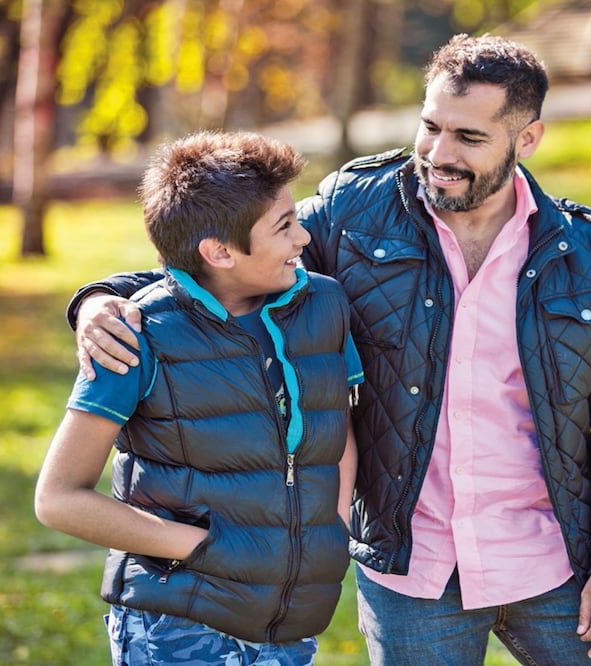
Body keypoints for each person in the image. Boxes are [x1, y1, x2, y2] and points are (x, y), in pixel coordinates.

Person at [67, 34, 591, 664]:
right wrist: (100, 297)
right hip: (412, 569)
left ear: (527, 140)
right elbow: (229, 257)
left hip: (555, 563)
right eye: (430, 126)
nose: (438, 154)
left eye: (469, 137)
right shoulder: (355, 209)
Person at [36, 130, 364, 665]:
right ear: (219, 251)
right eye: (284, 226)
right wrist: (200, 547)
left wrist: (334, 524)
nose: (303, 238)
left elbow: (335, 425)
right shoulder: (135, 334)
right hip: (177, 625)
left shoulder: (324, 305)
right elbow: (58, 498)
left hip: (291, 626)